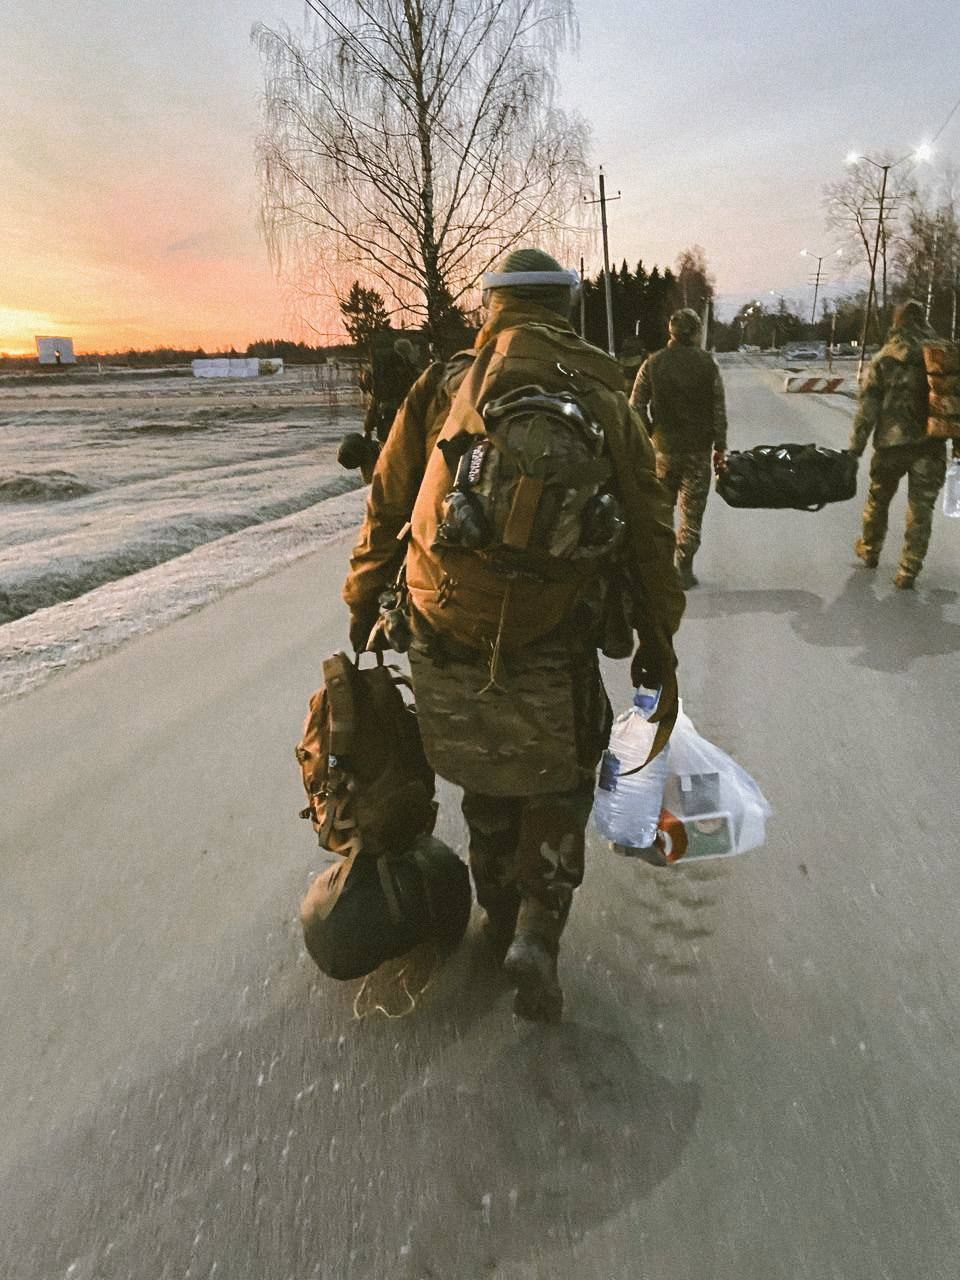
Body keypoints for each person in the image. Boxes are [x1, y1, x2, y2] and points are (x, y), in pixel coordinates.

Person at [342, 248, 684, 1022]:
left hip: (444, 623)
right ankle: (538, 927)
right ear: (564, 308)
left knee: (487, 776)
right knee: (560, 776)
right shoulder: (602, 392)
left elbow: (387, 502)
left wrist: (363, 598)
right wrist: (659, 636)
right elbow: (650, 530)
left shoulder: (446, 384)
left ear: (491, 305)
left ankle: (497, 915)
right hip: (552, 633)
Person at [850, 299, 949, 588]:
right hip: (930, 446)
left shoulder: (885, 358)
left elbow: (868, 408)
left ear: (897, 322)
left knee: (878, 500)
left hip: (890, 446)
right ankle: (908, 569)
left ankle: (870, 549)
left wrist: (855, 447)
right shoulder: (939, 357)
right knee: (921, 510)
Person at [630, 308, 728, 588]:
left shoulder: (652, 363)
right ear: (695, 332)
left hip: (663, 450)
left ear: (671, 332)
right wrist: (720, 445)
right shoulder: (707, 364)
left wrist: (650, 433)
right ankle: (684, 568)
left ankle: (660, 569)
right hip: (698, 450)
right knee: (692, 512)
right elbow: (718, 408)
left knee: (661, 510)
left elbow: (635, 406)